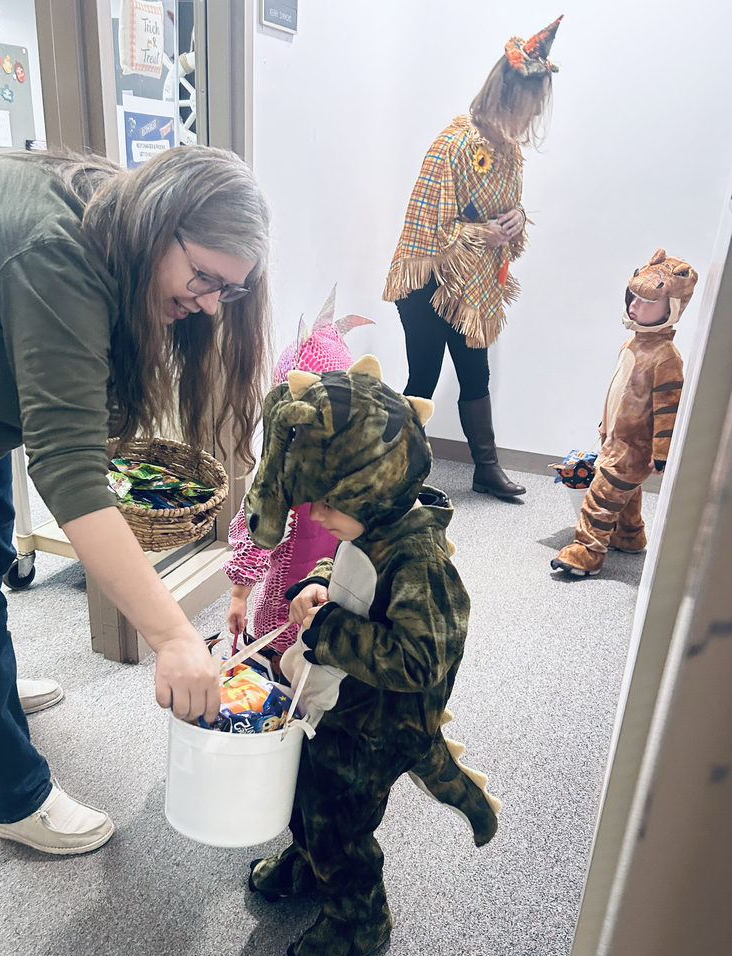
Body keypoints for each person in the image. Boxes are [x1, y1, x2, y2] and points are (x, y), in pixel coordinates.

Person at [0, 146, 270, 854]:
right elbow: (70, 473)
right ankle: (11, 799)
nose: (207, 302)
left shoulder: (120, 225)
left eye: (226, 290)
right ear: (161, 223)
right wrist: (171, 635)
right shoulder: (55, 255)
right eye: (203, 277)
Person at [244, 355, 500, 956]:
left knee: (341, 821)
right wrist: (316, 582)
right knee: (305, 792)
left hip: (378, 728)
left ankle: (360, 920)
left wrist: (328, 631)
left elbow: (417, 659)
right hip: (337, 708)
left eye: (329, 505)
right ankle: (308, 861)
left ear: (372, 488)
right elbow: (348, 572)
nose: (318, 516)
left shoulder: (422, 564)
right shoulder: (370, 526)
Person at [383, 16, 562, 499]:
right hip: (428, 283)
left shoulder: (508, 152)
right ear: (506, 96)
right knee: (423, 376)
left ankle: (486, 468)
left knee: (475, 373)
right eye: (530, 104)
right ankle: (400, 477)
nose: (534, 114)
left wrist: (517, 220)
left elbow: (507, 207)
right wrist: (487, 231)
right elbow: (428, 231)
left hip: (473, 283)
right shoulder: (452, 146)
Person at [224, 285, 372, 653]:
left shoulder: (345, 463)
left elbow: (257, 534)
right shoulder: (294, 470)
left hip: (323, 589)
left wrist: (239, 597)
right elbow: (259, 532)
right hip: (311, 593)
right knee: (298, 653)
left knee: (301, 652)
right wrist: (240, 594)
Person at [551, 250, 698, 577]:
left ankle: (587, 552)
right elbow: (620, 392)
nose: (634, 305)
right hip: (615, 439)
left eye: (647, 302)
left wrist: (662, 454)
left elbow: (668, 408)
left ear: (671, 308)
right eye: (633, 297)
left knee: (601, 498)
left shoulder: (666, 357)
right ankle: (629, 535)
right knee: (625, 495)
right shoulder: (632, 345)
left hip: (634, 449)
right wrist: (606, 425)